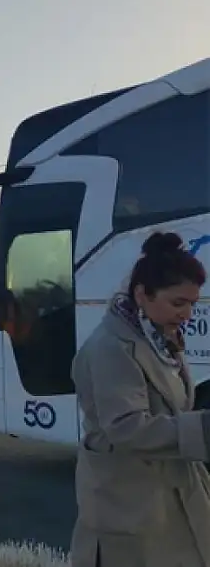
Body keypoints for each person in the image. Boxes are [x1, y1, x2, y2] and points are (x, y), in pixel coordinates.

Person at [69, 232, 210, 567]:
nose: (187, 314)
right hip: (129, 502)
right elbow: (126, 427)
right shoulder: (111, 348)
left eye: (193, 304)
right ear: (142, 295)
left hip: (166, 494)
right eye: (178, 303)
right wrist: (203, 429)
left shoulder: (157, 338)